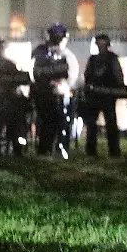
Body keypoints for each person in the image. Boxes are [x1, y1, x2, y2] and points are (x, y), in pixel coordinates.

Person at [31, 24, 78, 157]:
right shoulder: (40, 52)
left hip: (58, 94)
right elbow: (34, 72)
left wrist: (64, 86)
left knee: (58, 122)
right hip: (43, 93)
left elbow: (72, 75)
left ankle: (56, 147)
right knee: (48, 121)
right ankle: (45, 148)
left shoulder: (66, 55)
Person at [80, 34, 126, 157]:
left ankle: (114, 151)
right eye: (99, 44)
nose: (101, 47)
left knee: (110, 124)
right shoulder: (93, 60)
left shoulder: (112, 59)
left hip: (107, 95)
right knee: (92, 125)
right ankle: (91, 150)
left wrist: (118, 89)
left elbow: (118, 76)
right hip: (94, 96)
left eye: (103, 44)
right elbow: (87, 76)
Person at [0, 39, 30, 157]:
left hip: (0, 99)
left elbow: (21, 79)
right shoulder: (1, 64)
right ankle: (14, 150)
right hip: (3, 100)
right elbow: (22, 79)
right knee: (9, 126)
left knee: (1, 127)